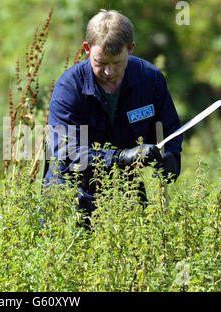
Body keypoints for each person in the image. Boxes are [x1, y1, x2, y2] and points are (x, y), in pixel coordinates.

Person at [44, 9, 183, 221]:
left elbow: (171, 129)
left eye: (117, 63)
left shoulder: (150, 79)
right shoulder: (69, 87)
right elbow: (66, 152)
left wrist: (171, 157)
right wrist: (120, 157)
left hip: (126, 187)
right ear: (86, 50)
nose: (109, 72)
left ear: (131, 49)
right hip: (70, 189)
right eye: (100, 63)